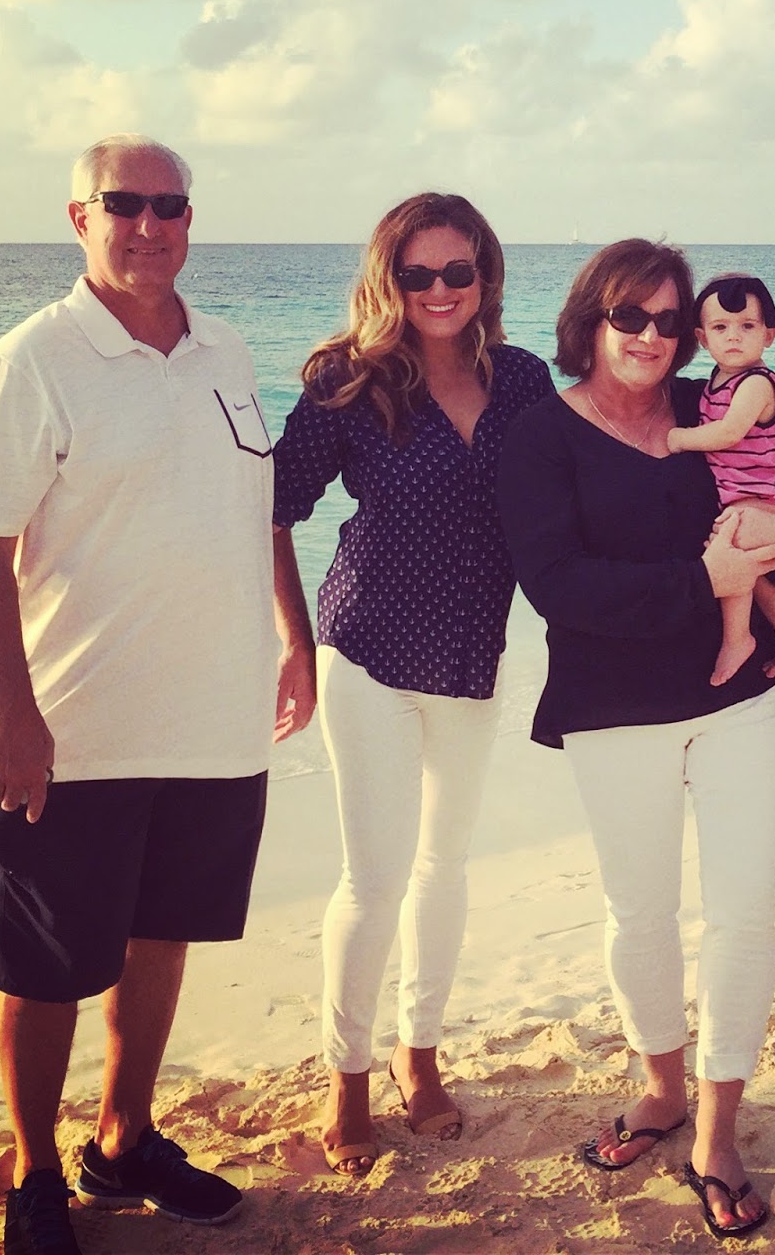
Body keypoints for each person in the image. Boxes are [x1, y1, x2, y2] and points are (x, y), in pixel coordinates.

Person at [0, 135, 294, 1255]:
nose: (149, 224)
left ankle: (123, 1141)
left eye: (170, 205)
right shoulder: (29, 363)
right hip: (76, 733)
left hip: (213, 725)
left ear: (191, 217)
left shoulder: (226, 348)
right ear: (79, 217)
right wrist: (12, 714)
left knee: (162, 939)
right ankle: (35, 1172)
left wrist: (295, 639)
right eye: (123, 203)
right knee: (46, 968)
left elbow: (256, 512)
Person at [497, 239, 775, 1241]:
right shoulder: (540, 435)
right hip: (610, 708)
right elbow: (557, 585)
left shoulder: (717, 408)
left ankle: (716, 1132)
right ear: (591, 319)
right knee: (641, 915)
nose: (652, 336)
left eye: (671, 319)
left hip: (740, 695)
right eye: (631, 315)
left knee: (743, 917)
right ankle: (661, 1088)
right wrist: (702, 582)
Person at [270, 194, 553, 1175]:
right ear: (389, 279)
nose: (438, 290)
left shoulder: (521, 380)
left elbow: (568, 499)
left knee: (445, 866)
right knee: (376, 875)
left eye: (457, 271)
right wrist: (293, 646)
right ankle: (346, 1075)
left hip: (473, 656)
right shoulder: (350, 380)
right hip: (368, 654)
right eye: (417, 273)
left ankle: (418, 1053)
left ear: (485, 277)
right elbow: (272, 506)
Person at [665, 273, 775, 685]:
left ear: (769, 335)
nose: (733, 336)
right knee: (755, 572)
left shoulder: (756, 384)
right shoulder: (716, 381)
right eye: (720, 327)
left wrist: (678, 439)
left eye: (747, 326)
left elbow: (729, 433)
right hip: (744, 497)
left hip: (768, 496)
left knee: (731, 549)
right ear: (701, 337)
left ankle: (738, 638)